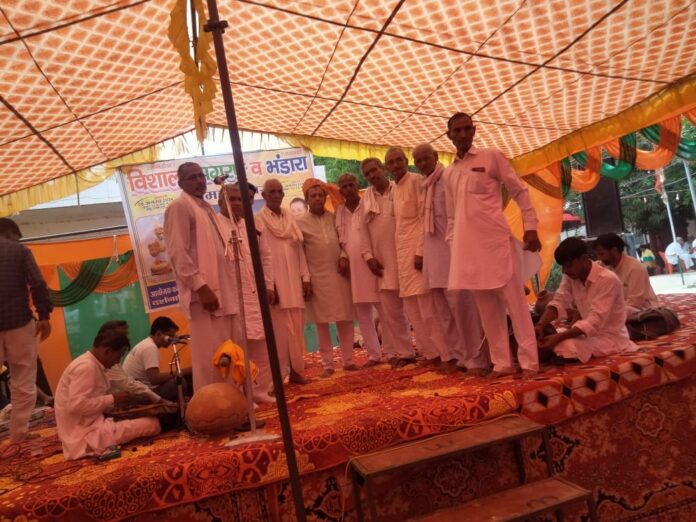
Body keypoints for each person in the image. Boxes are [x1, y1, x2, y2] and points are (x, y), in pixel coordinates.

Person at [443, 112, 541, 378]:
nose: (462, 135)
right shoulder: (449, 174)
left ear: (474, 131)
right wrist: (456, 251)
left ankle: (530, 362)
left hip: (497, 244)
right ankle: (502, 363)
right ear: (449, 135)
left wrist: (530, 226)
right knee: (488, 311)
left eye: (466, 129)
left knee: (516, 306)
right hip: (470, 253)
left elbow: (519, 191)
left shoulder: (491, 157)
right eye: (457, 131)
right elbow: (452, 219)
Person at [164, 162, 242, 391]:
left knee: (227, 352)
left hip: (223, 293)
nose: (199, 181)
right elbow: (178, 253)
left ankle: (231, 407)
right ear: (180, 183)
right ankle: (214, 412)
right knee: (210, 357)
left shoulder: (205, 208)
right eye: (192, 177)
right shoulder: (179, 207)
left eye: (201, 176)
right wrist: (202, 287)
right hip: (204, 297)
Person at [413, 143, 487, 374]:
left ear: (435, 157)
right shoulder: (424, 186)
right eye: (418, 160)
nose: (423, 163)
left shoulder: (448, 179)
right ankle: (459, 357)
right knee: (444, 314)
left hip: (453, 254)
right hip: (433, 256)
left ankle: (478, 359)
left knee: (463, 310)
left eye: (426, 158)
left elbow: (461, 217)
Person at [385, 147, 453, 369]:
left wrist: (420, 251)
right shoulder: (394, 189)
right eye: (391, 162)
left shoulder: (416, 182)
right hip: (401, 255)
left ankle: (447, 355)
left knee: (429, 310)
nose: (395, 165)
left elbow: (424, 219)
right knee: (413, 311)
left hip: (417, 253)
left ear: (406, 161)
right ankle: (430, 354)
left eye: (398, 161)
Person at [54, 329, 161, 460]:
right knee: (152, 424)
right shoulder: (86, 367)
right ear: (107, 351)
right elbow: (76, 405)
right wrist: (113, 398)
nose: (117, 362)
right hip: (82, 435)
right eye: (118, 357)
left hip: (92, 422)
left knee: (141, 419)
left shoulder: (91, 363)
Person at [535, 238, 638, 363]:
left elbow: (595, 320)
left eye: (568, 265)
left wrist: (559, 337)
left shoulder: (608, 279)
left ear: (584, 259)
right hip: (586, 335)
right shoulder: (571, 277)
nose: (564, 271)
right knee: (554, 339)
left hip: (611, 339)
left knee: (566, 345)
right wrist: (540, 325)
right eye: (563, 267)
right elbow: (559, 301)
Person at [218, 183, 276, 402]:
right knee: (237, 348)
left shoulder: (254, 225)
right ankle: (241, 396)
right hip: (232, 296)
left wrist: (269, 285)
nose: (236, 203)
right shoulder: (216, 225)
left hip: (256, 295)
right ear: (221, 202)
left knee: (261, 346)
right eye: (231, 199)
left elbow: (266, 258)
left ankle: (260, 391)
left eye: (240, 199)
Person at [359, 158, 416, 368]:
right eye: (367, 174)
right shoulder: (366, 198)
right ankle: (405, 353)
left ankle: (432, 352)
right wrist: (368, 257)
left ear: (383, 169)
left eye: (374, 170)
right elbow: (362, 231)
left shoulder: (398, 190)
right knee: (392, 313)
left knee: (417, 311)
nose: (372, 175)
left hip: (407, 258)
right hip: (382, 263)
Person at [0, 218, 53, 443]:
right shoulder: (20, 252)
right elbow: (38, 283)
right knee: (23, 379)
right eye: (17, 237)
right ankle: (19, 436)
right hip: (19, 324)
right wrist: (43, 316)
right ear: (9, 233)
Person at [297, 181, 358, 377]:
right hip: (316, 277)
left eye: (320, 195)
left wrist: (343, 256)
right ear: (307, 200)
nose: (317, 199)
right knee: (321, 322)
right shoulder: (299, 224)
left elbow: (345, 241)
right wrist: (305, 279)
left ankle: (348, 361)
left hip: (339, 274)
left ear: (325, 198)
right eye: (312, 196)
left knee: (345, 317)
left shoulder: (335, 218)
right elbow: (300, 254)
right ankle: (328, 365)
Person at [256, 179, 311, 384]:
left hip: (294, 283)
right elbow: (261, 258)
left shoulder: (289, 218)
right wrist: (269, 285)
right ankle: (277, 378)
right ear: (263, 195)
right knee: (279, 333)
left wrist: (305, 278)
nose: (276, 195)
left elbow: (299, 250)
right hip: (275, 286)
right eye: (272, 192)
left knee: (296, 330)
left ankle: (296, 371)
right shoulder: (258, 220)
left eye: (279, 191)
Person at [336, 173, 387, 367]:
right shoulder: (339, 212)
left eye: (351, 185)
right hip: (354, 269)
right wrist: (342, 256)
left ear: (357, 186)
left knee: (384, 309)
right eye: (344, 186)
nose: (348, 189)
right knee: (363, 314)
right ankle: (374, 355)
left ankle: (393, 351)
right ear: (340, 191)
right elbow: (339, 240)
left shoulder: (368, 204)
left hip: (372, 263)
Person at [121, 317, 192, 402]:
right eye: (170, 337)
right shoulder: (150, 347)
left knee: (179, 378)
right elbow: (154, 379)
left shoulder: (146, 344)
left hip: (139, 390)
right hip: (140, 395)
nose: (171, 341)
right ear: (158, 334)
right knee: (180, 381)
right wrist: (180, 372)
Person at [594, 234, 659, 315]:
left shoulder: (635, 267)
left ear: (614, 250)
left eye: (602, 254)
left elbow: (636, 302)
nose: (599, 258)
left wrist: (608, 310)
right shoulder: (602, 265)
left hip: (642, 308)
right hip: (617, 308)